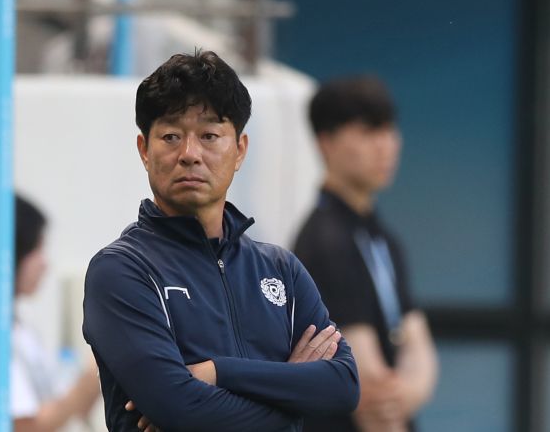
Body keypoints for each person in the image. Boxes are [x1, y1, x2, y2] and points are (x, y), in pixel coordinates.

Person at [82, 50, 359, 432]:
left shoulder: (280, 269)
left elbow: (343, 387)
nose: (189, 154)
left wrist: (217, 372)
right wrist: (293, 403)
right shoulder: (122, 270)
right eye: (171, 136)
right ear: (144, 150)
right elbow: (180, 407)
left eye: (209, 136)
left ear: (240, 150)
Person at [293, 76, 438, 432]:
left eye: (389, 130)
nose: (385, 145)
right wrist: (394, 398)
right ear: (326, 142)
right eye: (368, 131)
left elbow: (420, 348)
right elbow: (370, 391)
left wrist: (408, 391)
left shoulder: (383, 237)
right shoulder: (325, 240)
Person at [0, 194, 101, 432]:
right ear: (10, 254)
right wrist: (86, 384)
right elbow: (23, 426)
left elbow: (57, 404)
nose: (44, 263)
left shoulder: (17, 324)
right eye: (37, 249)